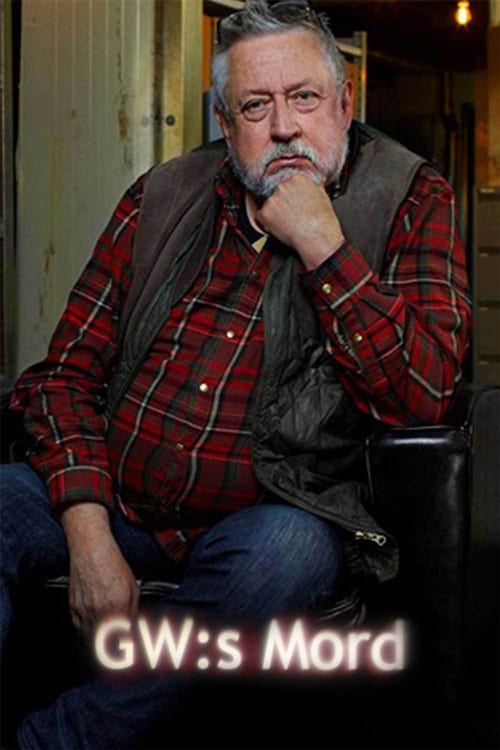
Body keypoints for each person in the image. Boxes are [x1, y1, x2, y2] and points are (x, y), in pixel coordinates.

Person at [1, 0, 471, 747]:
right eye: (256, 105)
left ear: (345, 102)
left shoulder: (411, 196)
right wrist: (88, 530)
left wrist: (324, 246)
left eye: (305, 97)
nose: (284, 127)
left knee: (284, 551)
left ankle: (54, 741)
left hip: (272, 518)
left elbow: (426, 397)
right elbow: (63, 375)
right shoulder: (162, 193)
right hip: (116, 500)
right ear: (224, 118)